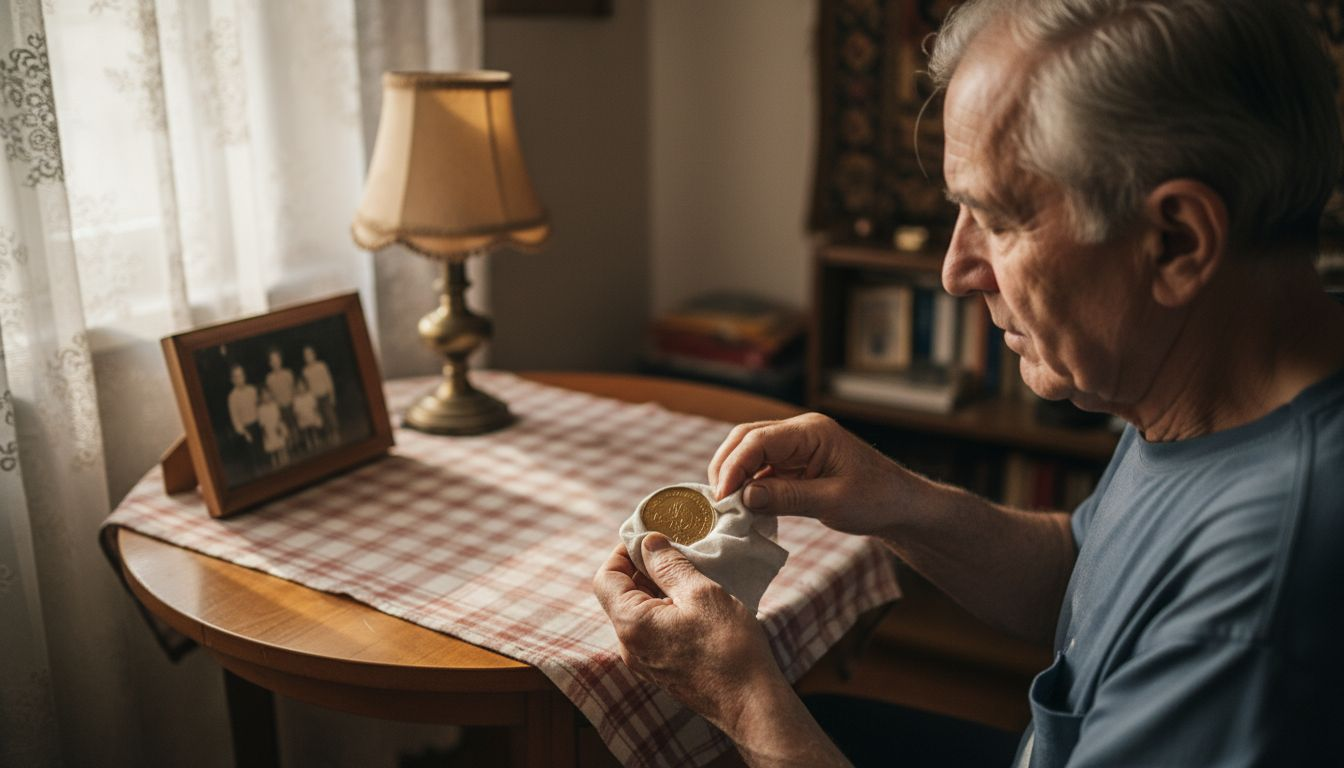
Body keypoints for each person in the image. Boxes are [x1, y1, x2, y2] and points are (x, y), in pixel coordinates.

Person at [593, 1, 1344, 765]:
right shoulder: (1222, 379)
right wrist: (898, 501)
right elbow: (1087, 582)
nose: (955, 271)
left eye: (996, 217)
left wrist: (744, 701)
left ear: (1177, 241)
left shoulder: (1259, 601)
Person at [225, 364, 262, 473]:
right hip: (246, 431)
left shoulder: (252, 390)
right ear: (232, 380)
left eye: (241, 375)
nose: (239, 379)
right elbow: (235, 419)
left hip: (258, 426)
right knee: (253, 464)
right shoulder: (232, 397)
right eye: (236, 377)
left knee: (265, 458)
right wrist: (244, 433)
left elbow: (259, 407)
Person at [302, 345, 338, 444]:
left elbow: (328, 380)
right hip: (315, 398)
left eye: (309, 354)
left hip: (325, 395)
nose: (308, 357)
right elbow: (307, 387)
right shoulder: (305, 371)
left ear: (314, 354)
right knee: (321, 417)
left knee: (330, 415)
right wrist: (310, 400)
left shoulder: (321, 365)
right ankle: (328, 434)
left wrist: (332, 394)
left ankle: (335, 432)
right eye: (305, 355)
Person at [264, 347, 298, 451]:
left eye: (277, 359)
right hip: (279, 407)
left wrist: (295, 402)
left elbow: (293, 389)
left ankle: (298, 443)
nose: (275, 362)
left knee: (294, 425)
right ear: (270, 363)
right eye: (272, 361)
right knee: (284, 428)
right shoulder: (269, 378)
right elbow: (270, 395)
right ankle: (289, 446)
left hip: (291, 403)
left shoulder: (288, 373)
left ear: (280, 360)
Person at [257, 387, 289, 469]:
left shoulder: (274, 405)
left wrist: (280, 426)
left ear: (270, 395)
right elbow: (262, 424)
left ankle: (285, 462)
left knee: (281, 445)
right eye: (263, 396)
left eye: (267, 394)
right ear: (260, 398)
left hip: (277, 427)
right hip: (268, 430)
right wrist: (265, 433)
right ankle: (275, 464)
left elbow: (279, 417)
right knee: (272, 448)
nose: (266, 397)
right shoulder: (260, 409)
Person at [292, 377, 323, 454]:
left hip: (310, 414)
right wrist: (299, 415)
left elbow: (314, 405)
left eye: (302, 386)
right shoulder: (296, 399)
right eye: (299, 387)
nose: (301, 388)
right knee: (305, 430)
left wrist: (315, 413)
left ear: (305, 386)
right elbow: (296, 410)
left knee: (313, 428)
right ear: (296, 388)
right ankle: (308, 442)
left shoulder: (310, 395)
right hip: (302, 416)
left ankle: (316, 439)